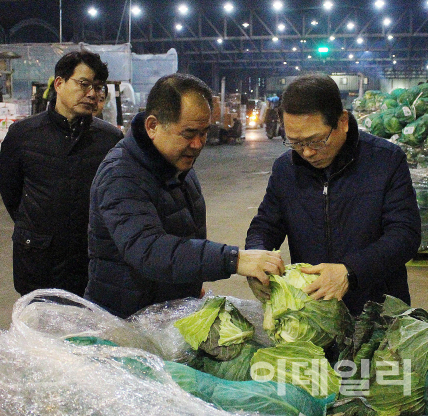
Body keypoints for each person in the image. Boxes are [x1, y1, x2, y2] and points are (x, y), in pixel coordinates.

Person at [84, 73, 284, 318]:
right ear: (153, 126)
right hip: (127, 320)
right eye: (189, 134)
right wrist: (234, 260)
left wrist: (189, 285)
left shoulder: (179, 166)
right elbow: (148, 249)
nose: (199, 144)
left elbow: (185, 235)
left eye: (204, 132)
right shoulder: (121, 175)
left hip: (167, 316)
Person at [245, 74, 421, 316]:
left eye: (316, 140)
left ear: (343, 122)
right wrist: (256, 257)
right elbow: (265, 225)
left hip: (378, 312)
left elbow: (405, 235)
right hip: (316, 313)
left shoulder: (386, 161)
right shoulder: (286, 169)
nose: (306, 152)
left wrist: (351, 271)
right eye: (294, 142)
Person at [0, 51, 123, 297]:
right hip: (38, 260)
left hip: (89, 262)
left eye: (98, 88)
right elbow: (10, 192)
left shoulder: (110, 139)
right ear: (59, 83)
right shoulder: (23, 135)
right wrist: (38, 226)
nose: (91, 94)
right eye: (83, 84)